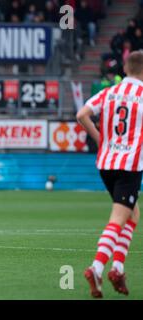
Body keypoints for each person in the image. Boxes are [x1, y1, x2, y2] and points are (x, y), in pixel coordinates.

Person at [76, 51, 143, 298]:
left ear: (126, 68)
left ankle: (118, 268)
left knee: (132, 213)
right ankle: (97, 267)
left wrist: (100, 139)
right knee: (118, 218)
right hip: (129, 165)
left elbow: (81, 115)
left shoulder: (109, 92)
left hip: (106, 163)